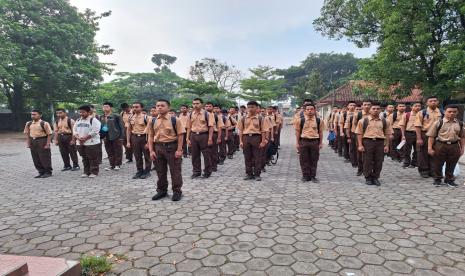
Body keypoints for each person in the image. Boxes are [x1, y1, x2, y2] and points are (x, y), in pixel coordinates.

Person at [148, 100, 186, 201]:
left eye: (162, 106)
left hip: (172, 147)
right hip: (158, 148)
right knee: (160, 171)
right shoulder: (152, 120)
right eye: (157, 106)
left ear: (168, 108)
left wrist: (179, 150)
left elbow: (181, 135)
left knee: (175, 171)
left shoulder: (175, 119)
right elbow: (151, 136)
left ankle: (177, 191)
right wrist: (151, 151)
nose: (159, 107)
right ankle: (161, 191)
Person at [427, 105, 465, 187]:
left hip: (454, 146)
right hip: (440, 145)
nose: (452, 113)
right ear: (444, 112)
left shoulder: (460, 123)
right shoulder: (438, 123)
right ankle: (437, 179)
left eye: (454, 112)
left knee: (452, 163)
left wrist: (462, 148)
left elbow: (462, 137)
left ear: (457, 112)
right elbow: (431, 136)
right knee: (438, 163)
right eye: (449, 111)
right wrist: (430, 148)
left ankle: (449, 180)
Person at [357, 102, 391, 186]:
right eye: (373, 109)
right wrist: (360, 145)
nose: (376, 110)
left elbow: (387, 134)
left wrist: (386, 145)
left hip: (380, 142)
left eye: (377, 109)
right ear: (370, 110)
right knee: (367, 161)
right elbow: (359, 133)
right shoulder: (363, 121)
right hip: (367, 142)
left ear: (380, 110)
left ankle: (375, 177)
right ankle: (368, 178)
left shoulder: (385, 121)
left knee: (379, 161)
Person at [237, 101, 270, 181]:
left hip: (257, 138)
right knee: (247, 157)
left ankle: (257, 174)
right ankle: (249, 174)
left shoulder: (261, 118)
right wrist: (241, 141)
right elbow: (240, 131)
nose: (250, 109)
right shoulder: (243, 118)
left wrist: (263, 141)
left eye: (252, 107)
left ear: (257, 108)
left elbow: (263, 131)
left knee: (257, 157)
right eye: (249, 107)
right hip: (246, 137)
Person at [294, 103, 324, 182]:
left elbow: (320, 132)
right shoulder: (300, 120)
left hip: (315, 142)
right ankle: (305, 176)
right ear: (304, 111)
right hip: (303, 141)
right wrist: (297, 143)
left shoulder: (319, 120)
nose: (310, 111)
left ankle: (313, 176)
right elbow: (297, 132)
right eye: (308, 109)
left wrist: (321, 143)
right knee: (304, 159)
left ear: (314, 110)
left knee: (314, 159)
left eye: (311, 109)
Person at [186, 98, 215, 179]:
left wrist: (210, 138)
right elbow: (188, 127)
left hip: (204, 135)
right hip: (193, 135)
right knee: (194, 155)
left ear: (201, 104)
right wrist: (187, 138)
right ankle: (196, 172)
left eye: (197, 103)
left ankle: (207, 172)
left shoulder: (207, 114)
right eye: (194, 103)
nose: (195, 105)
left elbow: (211, 127)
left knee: (206, 154)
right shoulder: (191, 114)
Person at [415, 96, 444, 178]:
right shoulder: (422, 112)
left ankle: (434, 171)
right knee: (423, 153)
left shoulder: (442, 112)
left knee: (436, 154)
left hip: (438, 136)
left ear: (437, 102)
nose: (433, 102)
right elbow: (417, 126)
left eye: (435, 101)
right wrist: (419, 138)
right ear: (427, 103)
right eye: (431, 101)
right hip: (425, 135)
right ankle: (424, 171)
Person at [74, 105, 102, 178]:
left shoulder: (94, 120)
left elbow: (95, 131)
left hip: (92, 143)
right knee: (84, 158)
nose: (81, 114)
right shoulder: (78, 120)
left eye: (83, 112)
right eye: (80, 112)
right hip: (80, 142)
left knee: (93, 158)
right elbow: (74, 131)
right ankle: (86, 172)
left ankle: (94, 172)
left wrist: (85, 138)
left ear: (88, 112)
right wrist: (78, 138)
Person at [24, 110, 53, 178]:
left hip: (42, 140)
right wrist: (28, 143)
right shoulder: (28, 123)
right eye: (32, 114)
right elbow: (27, 134)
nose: (32, 116)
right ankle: (41, 172)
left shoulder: (44, 123)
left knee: (44, 157)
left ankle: (48, 172)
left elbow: (49, 134)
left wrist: (47, 144)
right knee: (35, 157)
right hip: (33, 141)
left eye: (34, 114)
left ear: (40, 115)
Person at [126, 102, 152, 179]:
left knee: (147, 155)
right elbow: (128, 130)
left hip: (144, 137)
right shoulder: (130, 117)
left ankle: (147, 171)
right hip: (134, 137)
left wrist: (148, 142)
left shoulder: (146, 117)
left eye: (137, 107)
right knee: (137, 155)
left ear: (141, 108)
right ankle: (139, 171)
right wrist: (128, 141)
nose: (135, 108)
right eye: (133, 107)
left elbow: (150, 131)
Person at [100, 102, 125, 171]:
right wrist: (102, 136)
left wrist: (121, 137)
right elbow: (102, 127)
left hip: (116, 135)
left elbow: (122, 127)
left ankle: (117, 165)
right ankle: (112, 165)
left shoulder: (116, 116)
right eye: (104, 107)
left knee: (117, 151)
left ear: (111, 108)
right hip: (106, 136)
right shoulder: (101, 117)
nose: (105, 108)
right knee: (109, 151)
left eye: (107, 107)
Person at [353, 101, 372, 176]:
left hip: (370, 137)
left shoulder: (374, 114)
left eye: (368, 105)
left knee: (369, 155)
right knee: (360, 154)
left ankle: (368, 170)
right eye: (365, 105)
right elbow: (355, 124)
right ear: (362, 106)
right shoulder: (358, 114)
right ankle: (360, 169)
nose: (367, 106)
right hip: (361, 136)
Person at [401, 102, 421, 168]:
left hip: (419, 134)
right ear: (411, 107)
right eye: (416, 106)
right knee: (406, 149)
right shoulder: (407, 115)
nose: (418, 107)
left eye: (419, 106)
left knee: (417, 149)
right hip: (408, 133)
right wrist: (403, 135)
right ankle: (406, 162)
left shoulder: (422, 115)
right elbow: (402, 126)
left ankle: (414, 163)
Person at [205, 103, 223, 172]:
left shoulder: (216, 116)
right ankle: (208, 166)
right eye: (206, 106)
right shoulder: (204, 115)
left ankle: (214, 166)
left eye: (210, 106)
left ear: (212, 107)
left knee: (214, 151)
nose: (208, 107)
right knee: (206, 152)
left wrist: (219, 138)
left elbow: (219, 128)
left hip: (214, 135)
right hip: (205, 135)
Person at [343, 101, 357, 166]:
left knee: (354, 147)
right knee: (346, 145)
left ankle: (354, 159)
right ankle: (347, 157)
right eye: (351, 105)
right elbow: (340, 123)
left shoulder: (358, 114)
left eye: (354, 105)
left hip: (355, 131)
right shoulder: (345, 114)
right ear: (348, 106)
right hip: (346, 130)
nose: (352, 106)